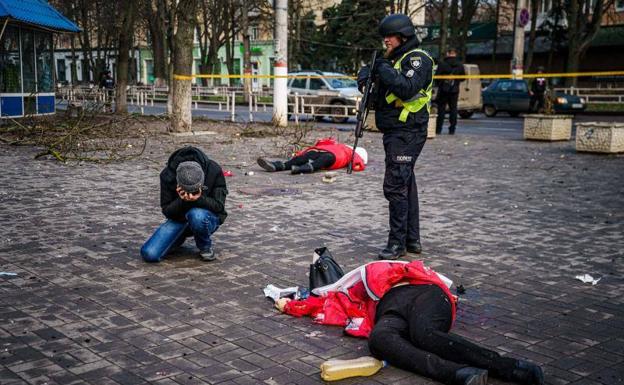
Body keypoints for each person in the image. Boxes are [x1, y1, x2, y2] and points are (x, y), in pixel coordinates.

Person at [277, 260, 544, 385]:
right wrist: (289, 304)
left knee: (424, 334)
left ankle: (510, 368)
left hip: (424, 294)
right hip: (391, 313)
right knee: (379, 341)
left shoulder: (370, 271)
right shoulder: (345, 299)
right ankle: (458, 374)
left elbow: (409, 269)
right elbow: (318, 304)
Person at [357, 14, 434, 260]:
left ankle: (396, 244)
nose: (386, 42)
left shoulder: (417, 60)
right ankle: (411, 240)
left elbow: (406, 88)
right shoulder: (395, 60)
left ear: (403, 36)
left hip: (409, 130)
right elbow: (382, 88)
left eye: (389, 37)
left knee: (395, 185)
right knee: (405, 183)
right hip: (396, 131)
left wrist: (382, 68)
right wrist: (366, 77)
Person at [141, 146, 228, 263]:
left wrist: (199, 198)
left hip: (205, 218)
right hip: (179, 218)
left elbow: (219, 207)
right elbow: (167, 211)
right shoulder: (167, 175)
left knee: (196, 215)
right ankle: (178, 237)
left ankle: (204, 247)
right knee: (149, 254)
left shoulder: (213, 170)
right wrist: (182, 200)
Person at [256, 137, 367, 174]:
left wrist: (356, 165)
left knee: (321, 158)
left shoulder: (350, 151)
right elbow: (323, 143)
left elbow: (358, 163)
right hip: (324, 153)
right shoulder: (342, 146)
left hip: (332, 157)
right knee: (303, 158)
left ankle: (298, 168)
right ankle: (279, 166)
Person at [435, 48, 465, 135]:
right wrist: (456, 80)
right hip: (454, 90)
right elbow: (463, 78)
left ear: (448, 53)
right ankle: (452, 130)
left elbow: (437, 77)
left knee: (441, 110)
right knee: (453, 110)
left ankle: (438, 129)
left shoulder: (442, 63)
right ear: (455, 54)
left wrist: (441, 82)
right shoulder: (460, 64)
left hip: (443, 90)